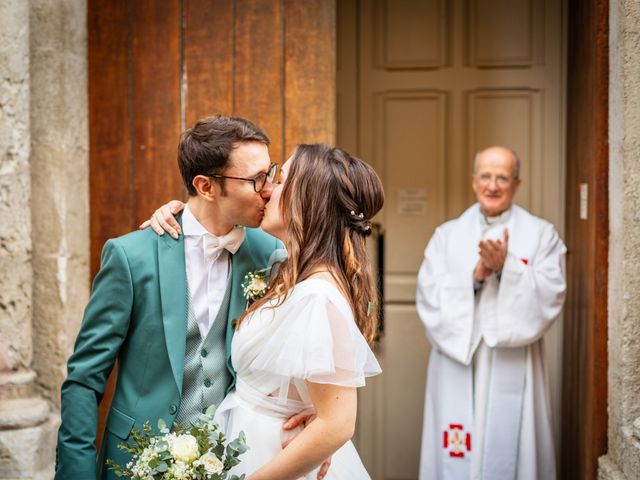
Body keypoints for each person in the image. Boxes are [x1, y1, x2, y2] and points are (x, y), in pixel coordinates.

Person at [55, 115, 282, 479]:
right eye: (256, 180)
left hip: (237, 463)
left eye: (269, 173)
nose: (268, 189)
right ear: (206, 186)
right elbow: (85, 378)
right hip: (135, 461)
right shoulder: (132, 257)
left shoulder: (270, 254)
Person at [148, 144, 384, 479]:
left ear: (307, 198)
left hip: (274, 462)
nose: (267, 189)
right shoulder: (283, 267)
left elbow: (338, 423)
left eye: (279, 178)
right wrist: (183, 214)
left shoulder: (319, 297)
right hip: (249, 441)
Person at [416, 146, 566, 480]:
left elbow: (551, 293)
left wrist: (506, 269)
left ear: (517, 183)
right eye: (486, 176)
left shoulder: (542, 235)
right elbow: (429, 295)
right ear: (474, 181)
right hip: (459, 355)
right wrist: (477, 276)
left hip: (514, 357)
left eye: (502, 177)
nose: (493, 185)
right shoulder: (447, 235)